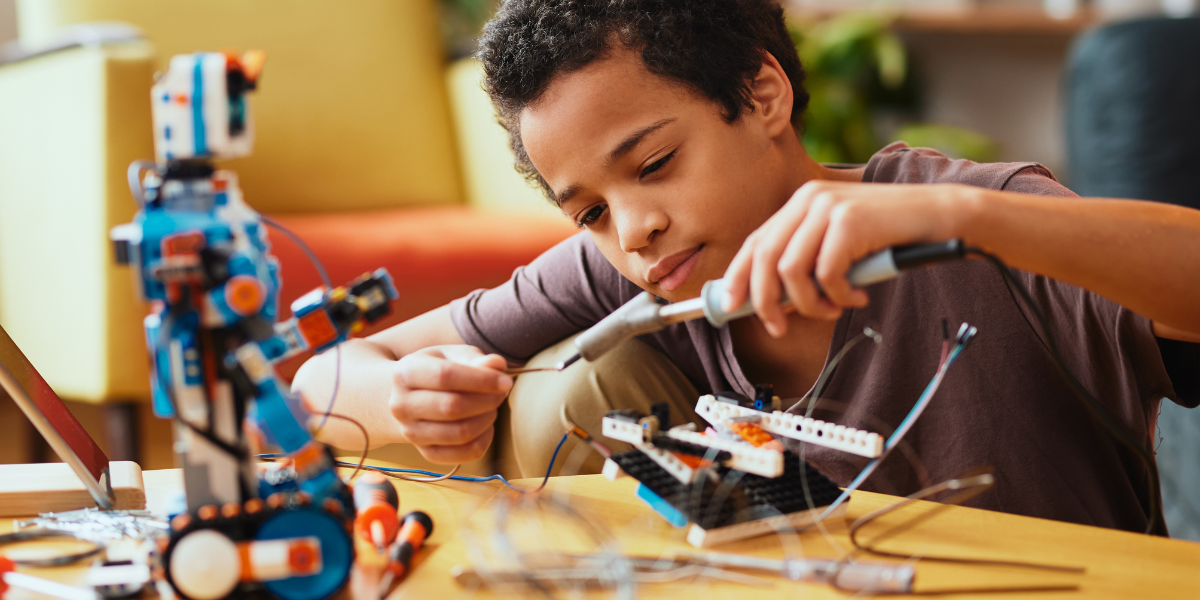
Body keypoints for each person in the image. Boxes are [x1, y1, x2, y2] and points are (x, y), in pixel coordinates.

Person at [293, 0, 1200, 534]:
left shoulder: (966, 220)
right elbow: (323, 380)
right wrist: (407, 395)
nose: (634, 230)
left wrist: (969, 216)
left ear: (763, 95)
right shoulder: (637, 268)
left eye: (653, 166)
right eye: (591, 212)